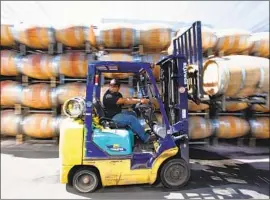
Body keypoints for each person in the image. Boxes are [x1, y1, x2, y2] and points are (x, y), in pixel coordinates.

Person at [102, 79, 156, 143]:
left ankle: (137, 133)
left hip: (117, 113)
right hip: (112, 118)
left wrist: (133, 104)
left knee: (132, 113)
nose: (111, 87)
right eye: (110, 85)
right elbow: (124, 100)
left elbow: (124, 102)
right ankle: (146, 138)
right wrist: (139, 100)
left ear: (118, 87)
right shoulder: (108, 96)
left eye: (114, 86)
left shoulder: (117, 94)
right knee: (131, 119)